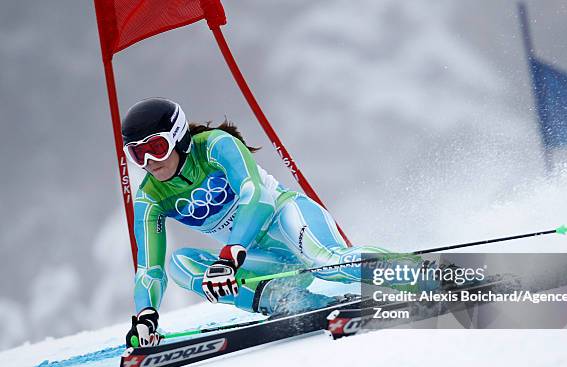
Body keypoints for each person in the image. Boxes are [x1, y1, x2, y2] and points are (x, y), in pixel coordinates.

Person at [122, 97, 392, 348]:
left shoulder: (215, 145)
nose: (149, 162)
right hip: (258, 258)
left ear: (179, 139)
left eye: (156, 148)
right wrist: (146, 316)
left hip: (287, 220)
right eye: (137, 154)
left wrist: (230, 256)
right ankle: (290, 301)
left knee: (327, 264)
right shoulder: (150, 198)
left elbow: (257, 195)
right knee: (180, 265)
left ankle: (417, 274)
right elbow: (149, 269)